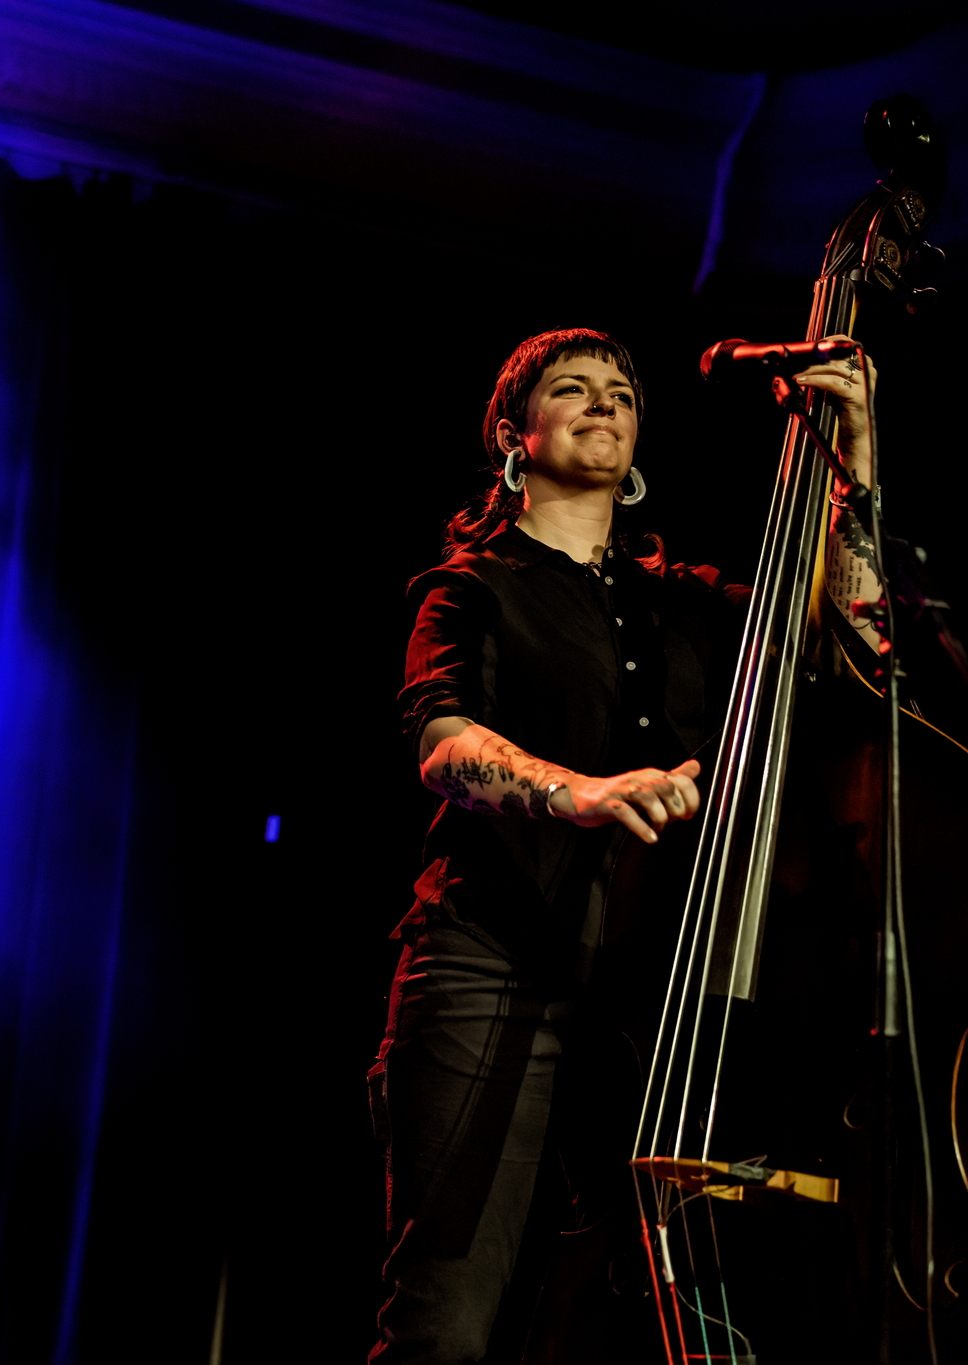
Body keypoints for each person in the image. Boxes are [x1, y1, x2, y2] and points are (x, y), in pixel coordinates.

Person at [368, 327, 881, 1362]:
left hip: (652, 990)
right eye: (572, 389)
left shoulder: (693, 601)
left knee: (657, 1311)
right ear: (514, 436)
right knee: (449, 1320)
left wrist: (854, 462)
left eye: (619, 392)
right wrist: (581, 793)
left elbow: (856, 648)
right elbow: (441, 742)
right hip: (489, 963)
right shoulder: (469, 588)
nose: (603, 404)